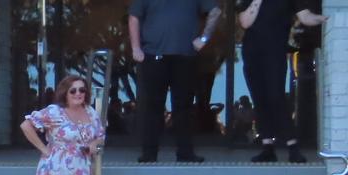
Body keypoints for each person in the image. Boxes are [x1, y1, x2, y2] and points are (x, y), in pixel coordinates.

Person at [128, 0, 220, 163]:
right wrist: (135, 47)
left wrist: (204, 38)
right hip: (153, 55)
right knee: (153, 106)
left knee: (184, 107)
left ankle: (185, 153)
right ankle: (149, 154)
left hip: (185, 57)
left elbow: (215, 12)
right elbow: (134, 16)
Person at [239, 0, 328, 163]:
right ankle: (267, 148)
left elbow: (305, 17)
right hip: (252, 53)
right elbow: (245, 22)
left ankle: (293, 147)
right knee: (259, 99)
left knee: (276, 97)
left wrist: (325, 18)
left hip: (275, 53)